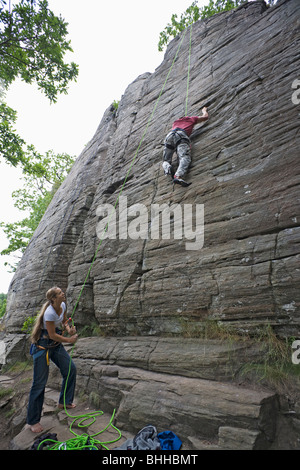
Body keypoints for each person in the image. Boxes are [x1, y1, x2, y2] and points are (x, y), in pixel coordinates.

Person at [26, 286, 78, 433]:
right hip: (43, 346)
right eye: (60, 293)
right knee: (39, 383)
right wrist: (69, 340)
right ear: (53, 298)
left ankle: (64, 402)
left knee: (70, 369)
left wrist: (69, 330)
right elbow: (52, 335)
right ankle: (33, 421)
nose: (63, 294)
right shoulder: (49, 313)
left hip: (54, 345)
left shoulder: (62, 305)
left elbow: (64, 322)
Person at [162, 107, 209, 186]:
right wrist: (204, 111)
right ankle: (178, 175)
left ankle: (168, 167)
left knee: (166, 160)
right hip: (181, 135)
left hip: (170, 135)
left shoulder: (175, 122)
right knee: (184, 157)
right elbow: (205, 117)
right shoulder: (191, 119)